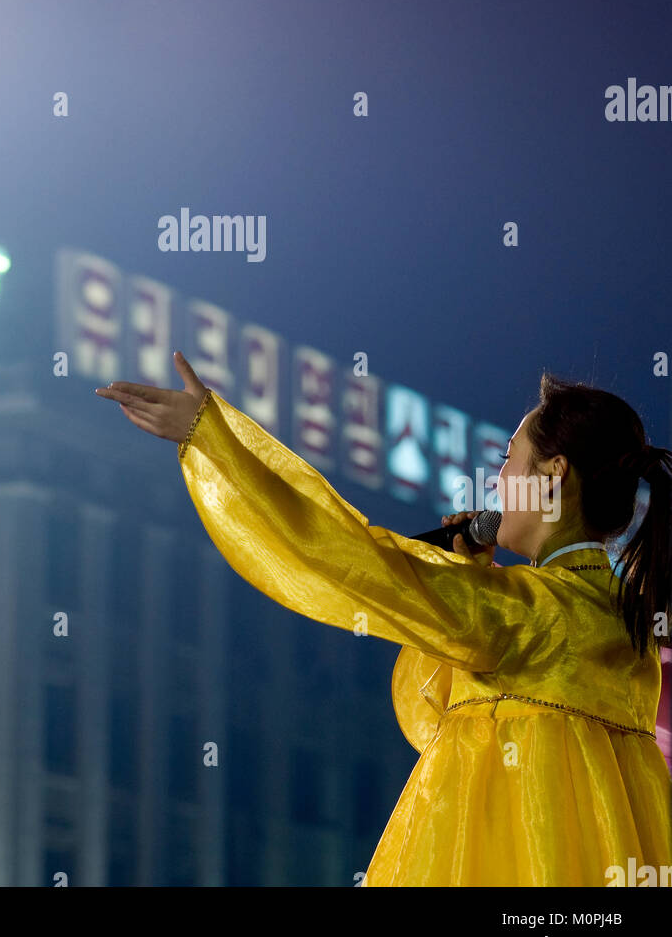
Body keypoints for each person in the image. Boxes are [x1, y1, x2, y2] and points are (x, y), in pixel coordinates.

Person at [96, 355, 672, 887]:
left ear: (553, 475)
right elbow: (438, 710)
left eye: (507, 460)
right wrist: (471, 582)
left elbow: (349, 557)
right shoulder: (624, 625)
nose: (496, 482)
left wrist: (215, 439)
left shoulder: (526, 613)